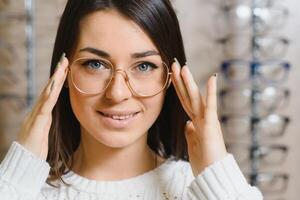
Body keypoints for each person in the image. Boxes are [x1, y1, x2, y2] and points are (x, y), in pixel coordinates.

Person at [0, 0, 263, 199]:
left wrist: (216, 170)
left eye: (144, 66)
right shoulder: (23, 190)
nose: (117, 93)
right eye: (95, 64)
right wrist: (18, 172)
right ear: (64, 72)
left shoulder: (202, 190)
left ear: (172, 77)